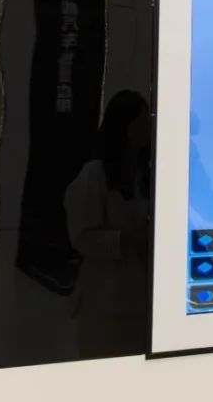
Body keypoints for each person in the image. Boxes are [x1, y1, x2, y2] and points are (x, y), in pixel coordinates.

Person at [64, 90, 151, 354]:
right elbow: (81, 237)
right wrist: (125, 239)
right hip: (103, 301)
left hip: (140, 300)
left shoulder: (147, 174)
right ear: (124, 125)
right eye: (141, 121)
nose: (148, 128)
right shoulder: (94, 174)